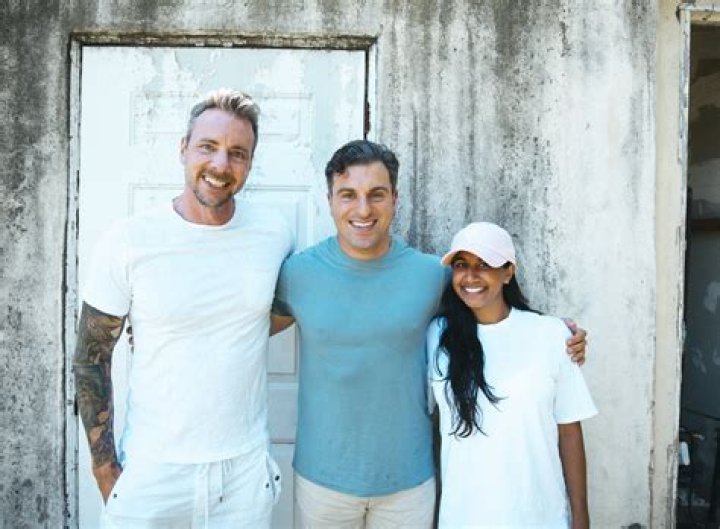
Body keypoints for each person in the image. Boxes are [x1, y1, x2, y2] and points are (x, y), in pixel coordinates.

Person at [271, 140, 589, 529]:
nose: (363, 209)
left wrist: (559, 335)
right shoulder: (299, 274)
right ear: (330, 200)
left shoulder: (429, 275)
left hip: (409, 486)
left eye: (377, 194)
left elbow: (488, 306)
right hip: (322, 481)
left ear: (395, 199)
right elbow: (245, 331)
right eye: (348, 195)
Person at [73, 89, 293, 528]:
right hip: (152, 470)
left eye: (237, 153)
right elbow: (90, 358)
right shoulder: (130, 239)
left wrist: (225, 328)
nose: (220, 165)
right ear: (183, 149)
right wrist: (104, 467)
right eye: (207, 147)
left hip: (243, 472)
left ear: (250, 163)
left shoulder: (273, 232)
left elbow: (282, 309)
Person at [426, 222, 597, 528]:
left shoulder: (551, 334)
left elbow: (570, 431)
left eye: (484, 264)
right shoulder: (438, 336)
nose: (471, 276)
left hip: (539, 517)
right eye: (461, 265)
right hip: (464, 516)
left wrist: (581, 516)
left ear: (508, 272)